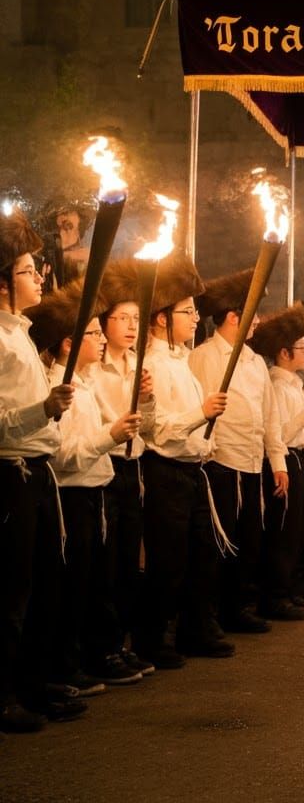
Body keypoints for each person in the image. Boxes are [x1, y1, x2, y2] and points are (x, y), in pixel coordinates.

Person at [26, 283, 144, 693]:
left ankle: (84, 657)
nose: (99, 339)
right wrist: (110, 436)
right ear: (69, 343)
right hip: (72, 497)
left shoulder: (86, 384)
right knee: (70, 587)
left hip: (96, 493)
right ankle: (64, 664)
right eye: (93, 333)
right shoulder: (61, 389)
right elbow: (67, 456)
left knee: (97, 582)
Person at [0, 209, 82, 732]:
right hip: (10, 479)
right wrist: (44, 410)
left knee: (45, 584)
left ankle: (34, 681)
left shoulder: (22, 335)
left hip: (39, 476)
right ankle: (5, 694)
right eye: (30, 270)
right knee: (10, 591)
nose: (41, 278)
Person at [134, 252, 230, 668]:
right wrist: (201, 413)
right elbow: (159, 431)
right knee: (167, 560)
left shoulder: (181, 363)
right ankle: (152, 638)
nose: (196, 319)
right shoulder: (153, 364)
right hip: (165, 473)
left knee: (200, 555)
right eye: (186, 311)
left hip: (193, 473)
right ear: (160, 318)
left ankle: (194, 629)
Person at [190, 268, 288, 636]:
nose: (258, 322)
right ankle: (210, 614)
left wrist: (277, 461)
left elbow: (269, 414)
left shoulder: (254, 360)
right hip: (219, 462)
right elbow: (198, 409)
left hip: (250, 462)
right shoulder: (202, 357)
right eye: (252, 314)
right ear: (234, 317)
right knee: (220, 541)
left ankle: (237, 606)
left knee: (249, 539)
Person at [92, 259, 157, 677]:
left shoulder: (139, 363)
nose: (132, 326)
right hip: (104, 468)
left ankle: (121, 642)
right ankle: (103, 647)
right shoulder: (95, 367)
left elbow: (146, 426)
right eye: (123, 318)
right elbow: (103, 422)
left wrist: (147, 400)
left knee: (131, 561)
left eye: (137, 318)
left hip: (134, 467)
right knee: (107, 563)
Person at [250, 302, 304, 620]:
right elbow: (278, 432)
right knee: (283, 530)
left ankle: (291, 590)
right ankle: (275, 595)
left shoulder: (293, 384)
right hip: (286, 460)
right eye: (300, 347)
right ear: (283, 352)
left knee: (298, 529)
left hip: (299, 458)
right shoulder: (278, 385)